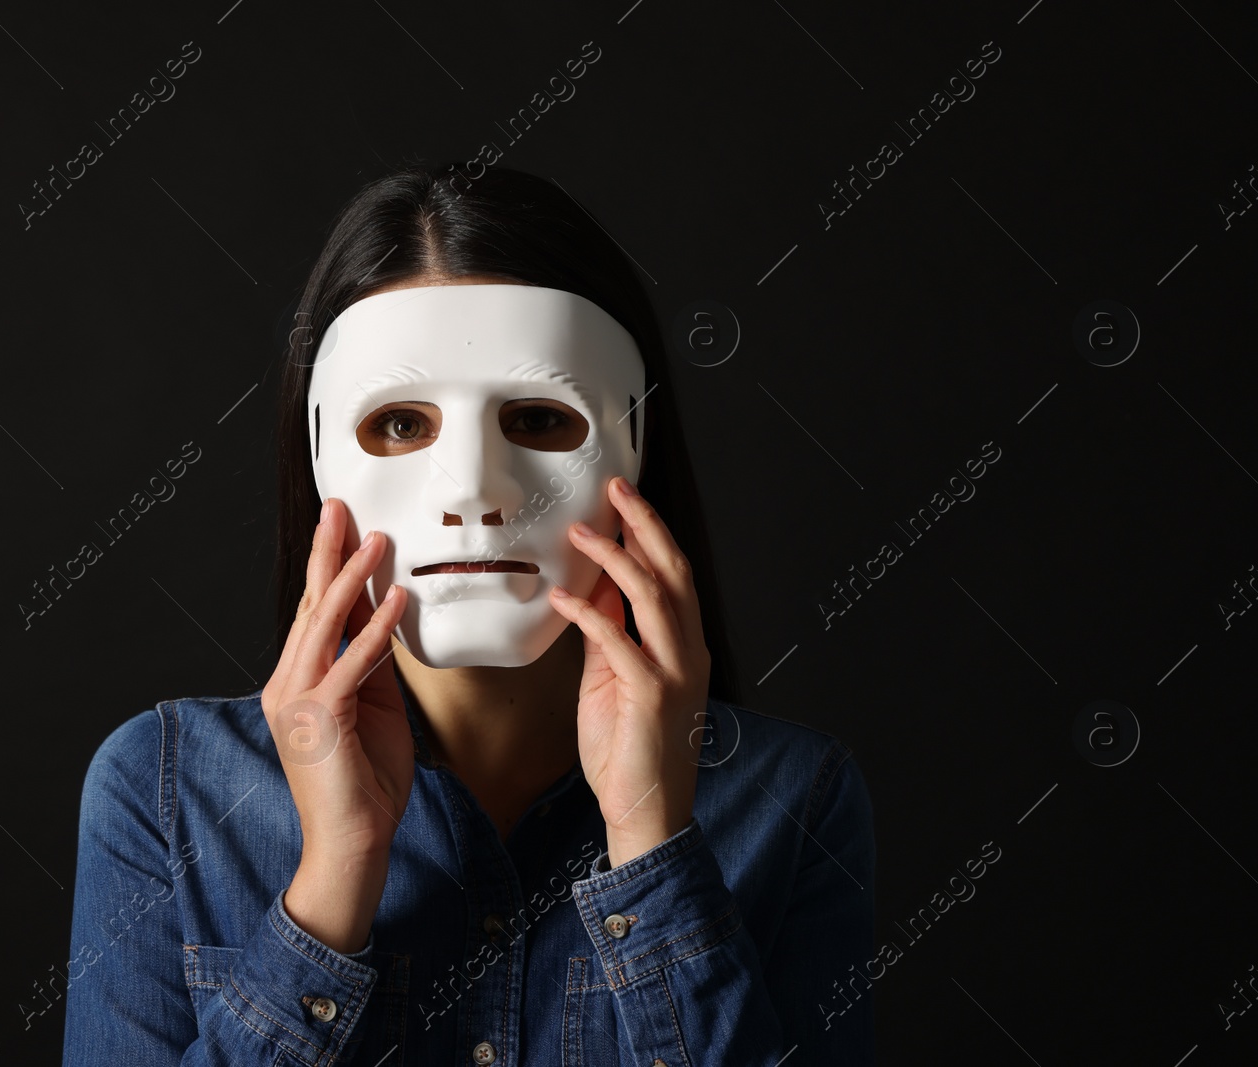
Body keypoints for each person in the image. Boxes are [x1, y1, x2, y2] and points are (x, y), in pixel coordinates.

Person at [61, 163, 876, 1065]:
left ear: (633, 448)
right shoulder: (164, 791)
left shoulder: (795, 798)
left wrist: (652, 837)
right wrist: (332, 881)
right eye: (402, 425)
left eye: (536, 418)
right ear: (322, 451)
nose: (476, 496)